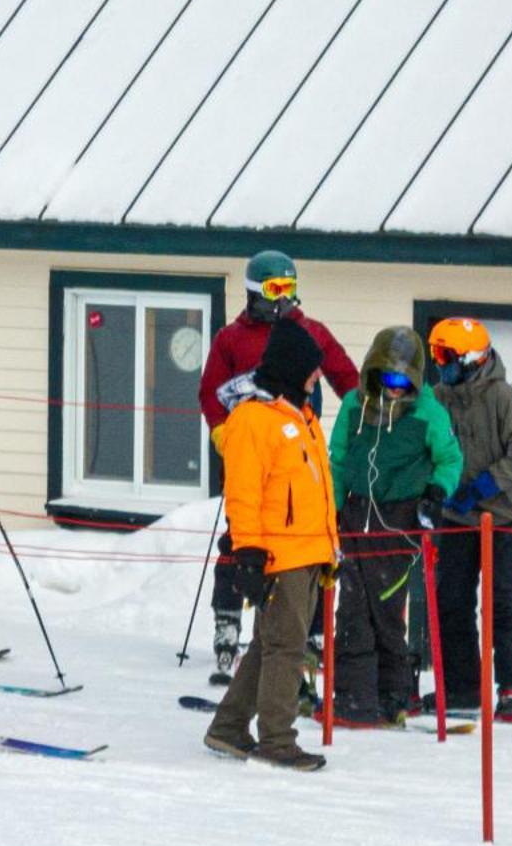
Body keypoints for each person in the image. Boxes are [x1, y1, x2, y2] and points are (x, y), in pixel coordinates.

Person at [198, 250, 358, 682]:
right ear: (254, 293)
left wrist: (359, 424)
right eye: (274, 290)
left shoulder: (311, 333)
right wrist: (221, 431)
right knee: (242, 538)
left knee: (306, 545)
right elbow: (211, 393)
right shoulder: (232, 339)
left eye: (289, 289)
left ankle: (309, 632)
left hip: (297, 457)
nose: (284, 300)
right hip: (248, 451)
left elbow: (349, 381)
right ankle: (228, 624)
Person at [203, 318, 339, 771]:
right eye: (312, 369)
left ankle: (227, 727)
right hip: (279, 554)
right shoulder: (253, 420)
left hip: (306, 552)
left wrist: (327, 547)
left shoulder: (301, 417)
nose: (318, 377)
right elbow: (244, 494)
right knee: (286, 648)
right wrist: (250, 555)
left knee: (269, 644)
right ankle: (277, 739)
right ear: (291, 367)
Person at [327, 327, 462, 725]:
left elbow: (449, 459)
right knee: (352, 607)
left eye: (405, 381)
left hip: (398, 518)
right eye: (389, 378)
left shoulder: (428, 413)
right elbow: (337, 460)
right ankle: (353, 697)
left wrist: (436, 493)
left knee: (385, 608)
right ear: (373, 373)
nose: (396, 389)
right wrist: (332, 509)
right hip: (355, 514)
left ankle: (393, 695)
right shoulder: (354, 405)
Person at [429, 317, 512, 722]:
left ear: (472, 358)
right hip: (457, 517)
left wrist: (482, 487)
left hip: (505, 518)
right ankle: (461, 688)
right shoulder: (439, 396)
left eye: (446, 355)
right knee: (451, 600)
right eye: (435, 353)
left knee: (503, 602)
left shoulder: (504, 398)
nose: (439, 363)